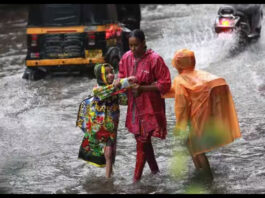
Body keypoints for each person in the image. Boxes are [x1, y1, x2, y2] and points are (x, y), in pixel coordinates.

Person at [163, 49, 241, 180]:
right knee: (191, 144)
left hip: (193, 117)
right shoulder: (199, 74)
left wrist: (180, 126)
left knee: (198, 149)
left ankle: (207, 179)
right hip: (203, 115)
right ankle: (200, 172)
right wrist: (160, 92)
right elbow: (181, 91)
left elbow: (182, 105)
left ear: (178, 64)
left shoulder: (180, 79)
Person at [118, 29, 171, 182]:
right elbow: (121, 77)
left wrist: (143, 88)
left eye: (136, 45)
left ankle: (136, 181)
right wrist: (121, 83)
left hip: (150, 106)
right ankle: (155, 171)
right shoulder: (126, 58)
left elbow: (165, 84)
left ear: (143, 43)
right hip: (134, 106)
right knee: (142, 140)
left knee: (142, 140)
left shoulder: (155, 59)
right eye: (130, 46)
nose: (133, 49)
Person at [76, 63, 136, 178]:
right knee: (105, 151)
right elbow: (109, 90)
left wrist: (132, 90)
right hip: (99, 126)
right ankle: (108, 179)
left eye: (111, 72)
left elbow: (124, 100)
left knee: (111, 151)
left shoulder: (114, 88)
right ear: (100, 76)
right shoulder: (98, 90)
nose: (111, 75)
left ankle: (109, 175)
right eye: (106, 73)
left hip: (112, 124)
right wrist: (126, 82)